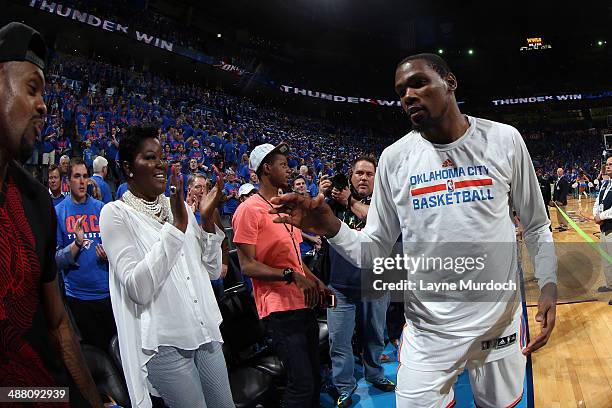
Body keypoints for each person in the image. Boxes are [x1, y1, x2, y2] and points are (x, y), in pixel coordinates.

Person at [270, 53, 558, 407]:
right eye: (400, 90)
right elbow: (372, 249)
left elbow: (536, 226)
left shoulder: (505, 139)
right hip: (429, 330)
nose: (407, 95)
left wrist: (548, 283)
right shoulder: (394, 159)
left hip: (497, 322)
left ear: (449, 83)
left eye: (418, 83)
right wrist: (330, 226)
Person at [0, 21, 102, 407]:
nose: (43, 104)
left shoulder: (35, 201)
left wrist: (88, 401)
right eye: (31, 88)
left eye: (44, 92)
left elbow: (58, 324)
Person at [99, 126, 234, 408]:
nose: (160, 164)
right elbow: (138, 288)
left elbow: (209, 270)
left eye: (162, 157)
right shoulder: (115, 214)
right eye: (150, 158)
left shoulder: (178, 207)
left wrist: (208, 222)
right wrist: (176, 229)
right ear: (128, 167)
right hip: (164, 344)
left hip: (203, 331)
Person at [232, 143, 330, 408]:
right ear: (266, 168)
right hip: (279, 309)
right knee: (301, 385)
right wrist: (290, 276)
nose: (289, 170)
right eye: (283, 165)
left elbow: (296, 259)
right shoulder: (248, 210)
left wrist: (315, 280)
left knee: (314, 378)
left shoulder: (285, 205)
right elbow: (248, 266)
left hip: (303, 301)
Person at [320, 156, 394, 407]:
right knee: (338, 341)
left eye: (369, 174)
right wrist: (323, 196)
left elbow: (377, 220)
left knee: (374, 336)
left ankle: (374, 374)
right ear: (350, 176)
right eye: (359, 173)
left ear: (376, 179)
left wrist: (348, 201)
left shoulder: (382, 205)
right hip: (339, 287)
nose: (363, 177)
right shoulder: (332, 203)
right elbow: (315, 220)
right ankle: (344, 386)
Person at [55, 157, 116, 352]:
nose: (82, 181)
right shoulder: (58, 212)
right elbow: (55, 260)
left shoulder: (102, 209)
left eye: (85, 176)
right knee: (91, 356)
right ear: (68, 181)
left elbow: (118, 250)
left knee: (115, 351)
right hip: (78, 299)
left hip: (107, 294)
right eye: (76, 176)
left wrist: (109, 253)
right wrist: (77, 244)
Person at [593, 156, 612, 305]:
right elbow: (597, 202)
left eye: (611, 164)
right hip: (603, 229)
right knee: (606, 261)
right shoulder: (605, 184)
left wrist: (603, 216)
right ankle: (610, 285)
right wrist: (596, 215)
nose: (608, 167)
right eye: (607, 164)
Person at [553, 167, 569, 231]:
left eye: (559, 171)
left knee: (563, 213)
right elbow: (555, 190)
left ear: (562, 172)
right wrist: (554, 199)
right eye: (557, 171)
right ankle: (561, 225)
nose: (558, 173)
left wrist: (561, 200)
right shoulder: (557, 180)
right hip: (557, 200)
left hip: (561, 201)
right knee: (558, 213)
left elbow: (565, 191)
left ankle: (565, 226)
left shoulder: (564, 180)